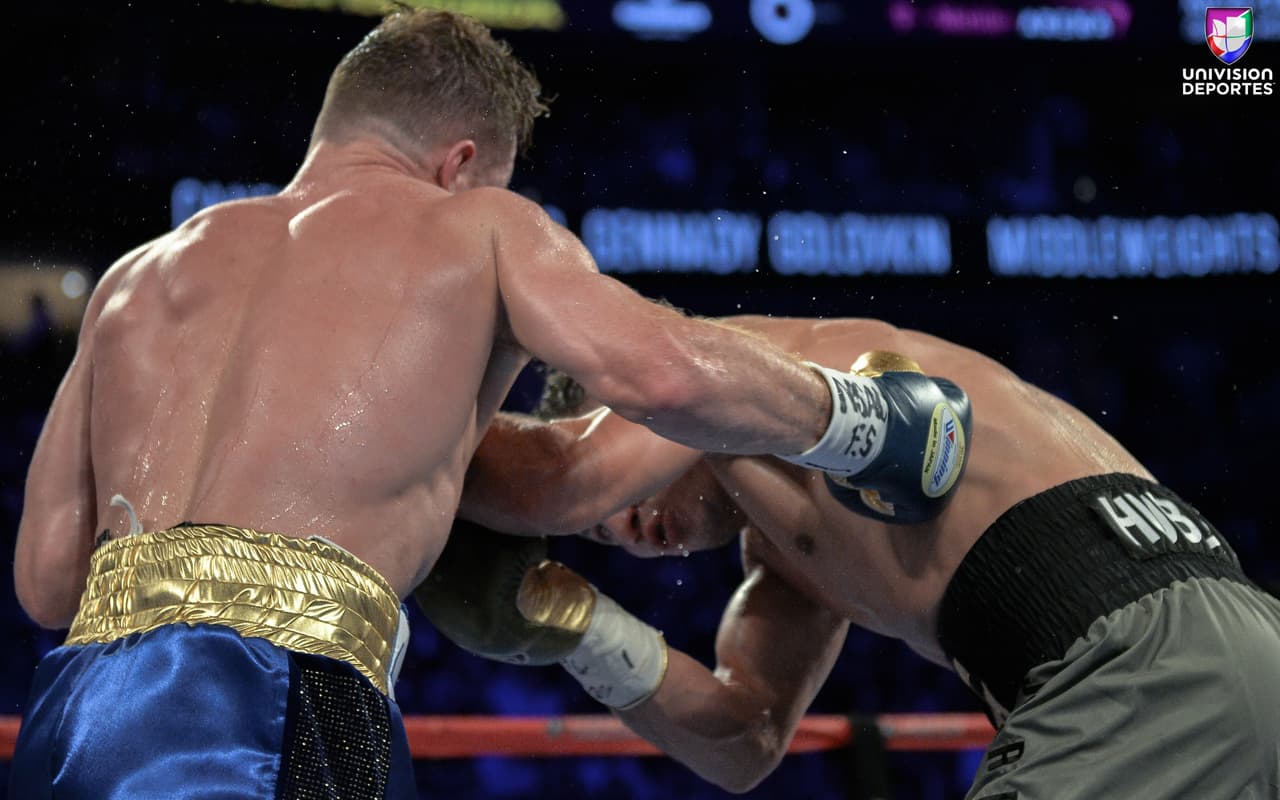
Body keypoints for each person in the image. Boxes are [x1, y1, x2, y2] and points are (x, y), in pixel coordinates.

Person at [9, 10, 967, 798]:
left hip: (77, 712)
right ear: (460, 163)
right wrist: (863, 421)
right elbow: (665, 376)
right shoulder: (481, 226)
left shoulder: (135, 278)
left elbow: (49, 581)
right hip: (268, 701)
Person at [429, 314, 1280, 798]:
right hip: (1207, 638)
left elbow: (556, 478)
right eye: (600, 539)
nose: (621, 530)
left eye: (617, 502)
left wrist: (397, 435)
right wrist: (580, 625)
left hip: (1138, 663)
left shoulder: (775, 353)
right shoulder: (788, 562)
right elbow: (744, 742)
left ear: (637, 421)